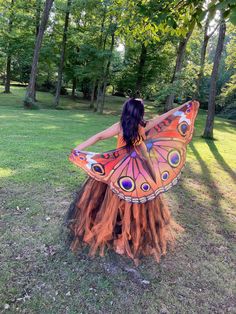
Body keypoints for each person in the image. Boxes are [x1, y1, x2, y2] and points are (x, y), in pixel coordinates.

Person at [63, 98, 198, 265]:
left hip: (120, 171)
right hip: (139, 172)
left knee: (115, 204)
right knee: (134, 207)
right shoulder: (144, 125)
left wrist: (78, 149)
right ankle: (122, 239)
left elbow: (99, 136)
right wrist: (185, 106)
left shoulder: (120, 126)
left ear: (126, 110)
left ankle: (121, 238)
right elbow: (166, 116)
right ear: (139, 112)